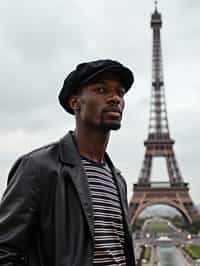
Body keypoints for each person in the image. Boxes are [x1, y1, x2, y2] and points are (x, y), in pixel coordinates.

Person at [0, 59, 135, 266]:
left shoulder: (117, 179)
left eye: (120, 92)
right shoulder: (38, 167)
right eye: (101, 90)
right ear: (75, 103)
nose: (115, 98)